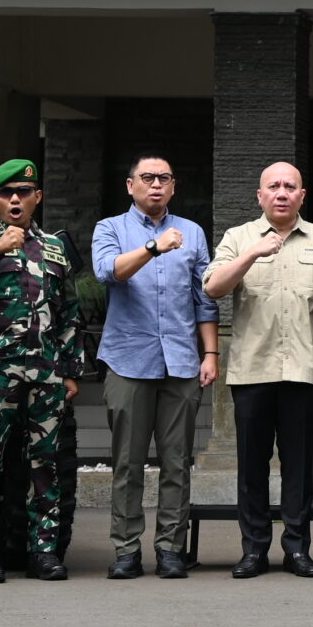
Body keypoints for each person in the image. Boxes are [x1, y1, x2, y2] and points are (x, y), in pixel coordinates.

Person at [202, 161, 313, 579]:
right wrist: (251, 254)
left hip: (303, 369)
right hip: (252, 371)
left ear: (303, 195)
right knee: (252, 466)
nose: (282, 192)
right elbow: (213, 288)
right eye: (273, 186)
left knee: (298, 466)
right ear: (259, 196)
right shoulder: (238, 238)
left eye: (290, 186)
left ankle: (297, 549)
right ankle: (253, 550)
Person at [0, 158, 84, 583]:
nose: (15, 199)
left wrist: (71, 370)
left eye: (23, 192)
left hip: (44, 373)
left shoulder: (55, 249)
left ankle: (44, 553)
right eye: (6, 193)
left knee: (46, 466)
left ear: (36, 198)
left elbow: (69, 312)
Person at [90, 154, 217, 580]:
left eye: (164, 178)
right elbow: (108, 272)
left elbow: (205, 299)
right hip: (128, 360)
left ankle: (170, 548)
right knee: (127, 462)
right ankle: (126, 549)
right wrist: (152, 247)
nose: (156, 185)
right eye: (147, 178)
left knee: (177, 462)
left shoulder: (193, 233)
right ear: (131, 185)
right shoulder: (111, 229)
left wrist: (211, 354)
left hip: (181, 361)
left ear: (174, 186)